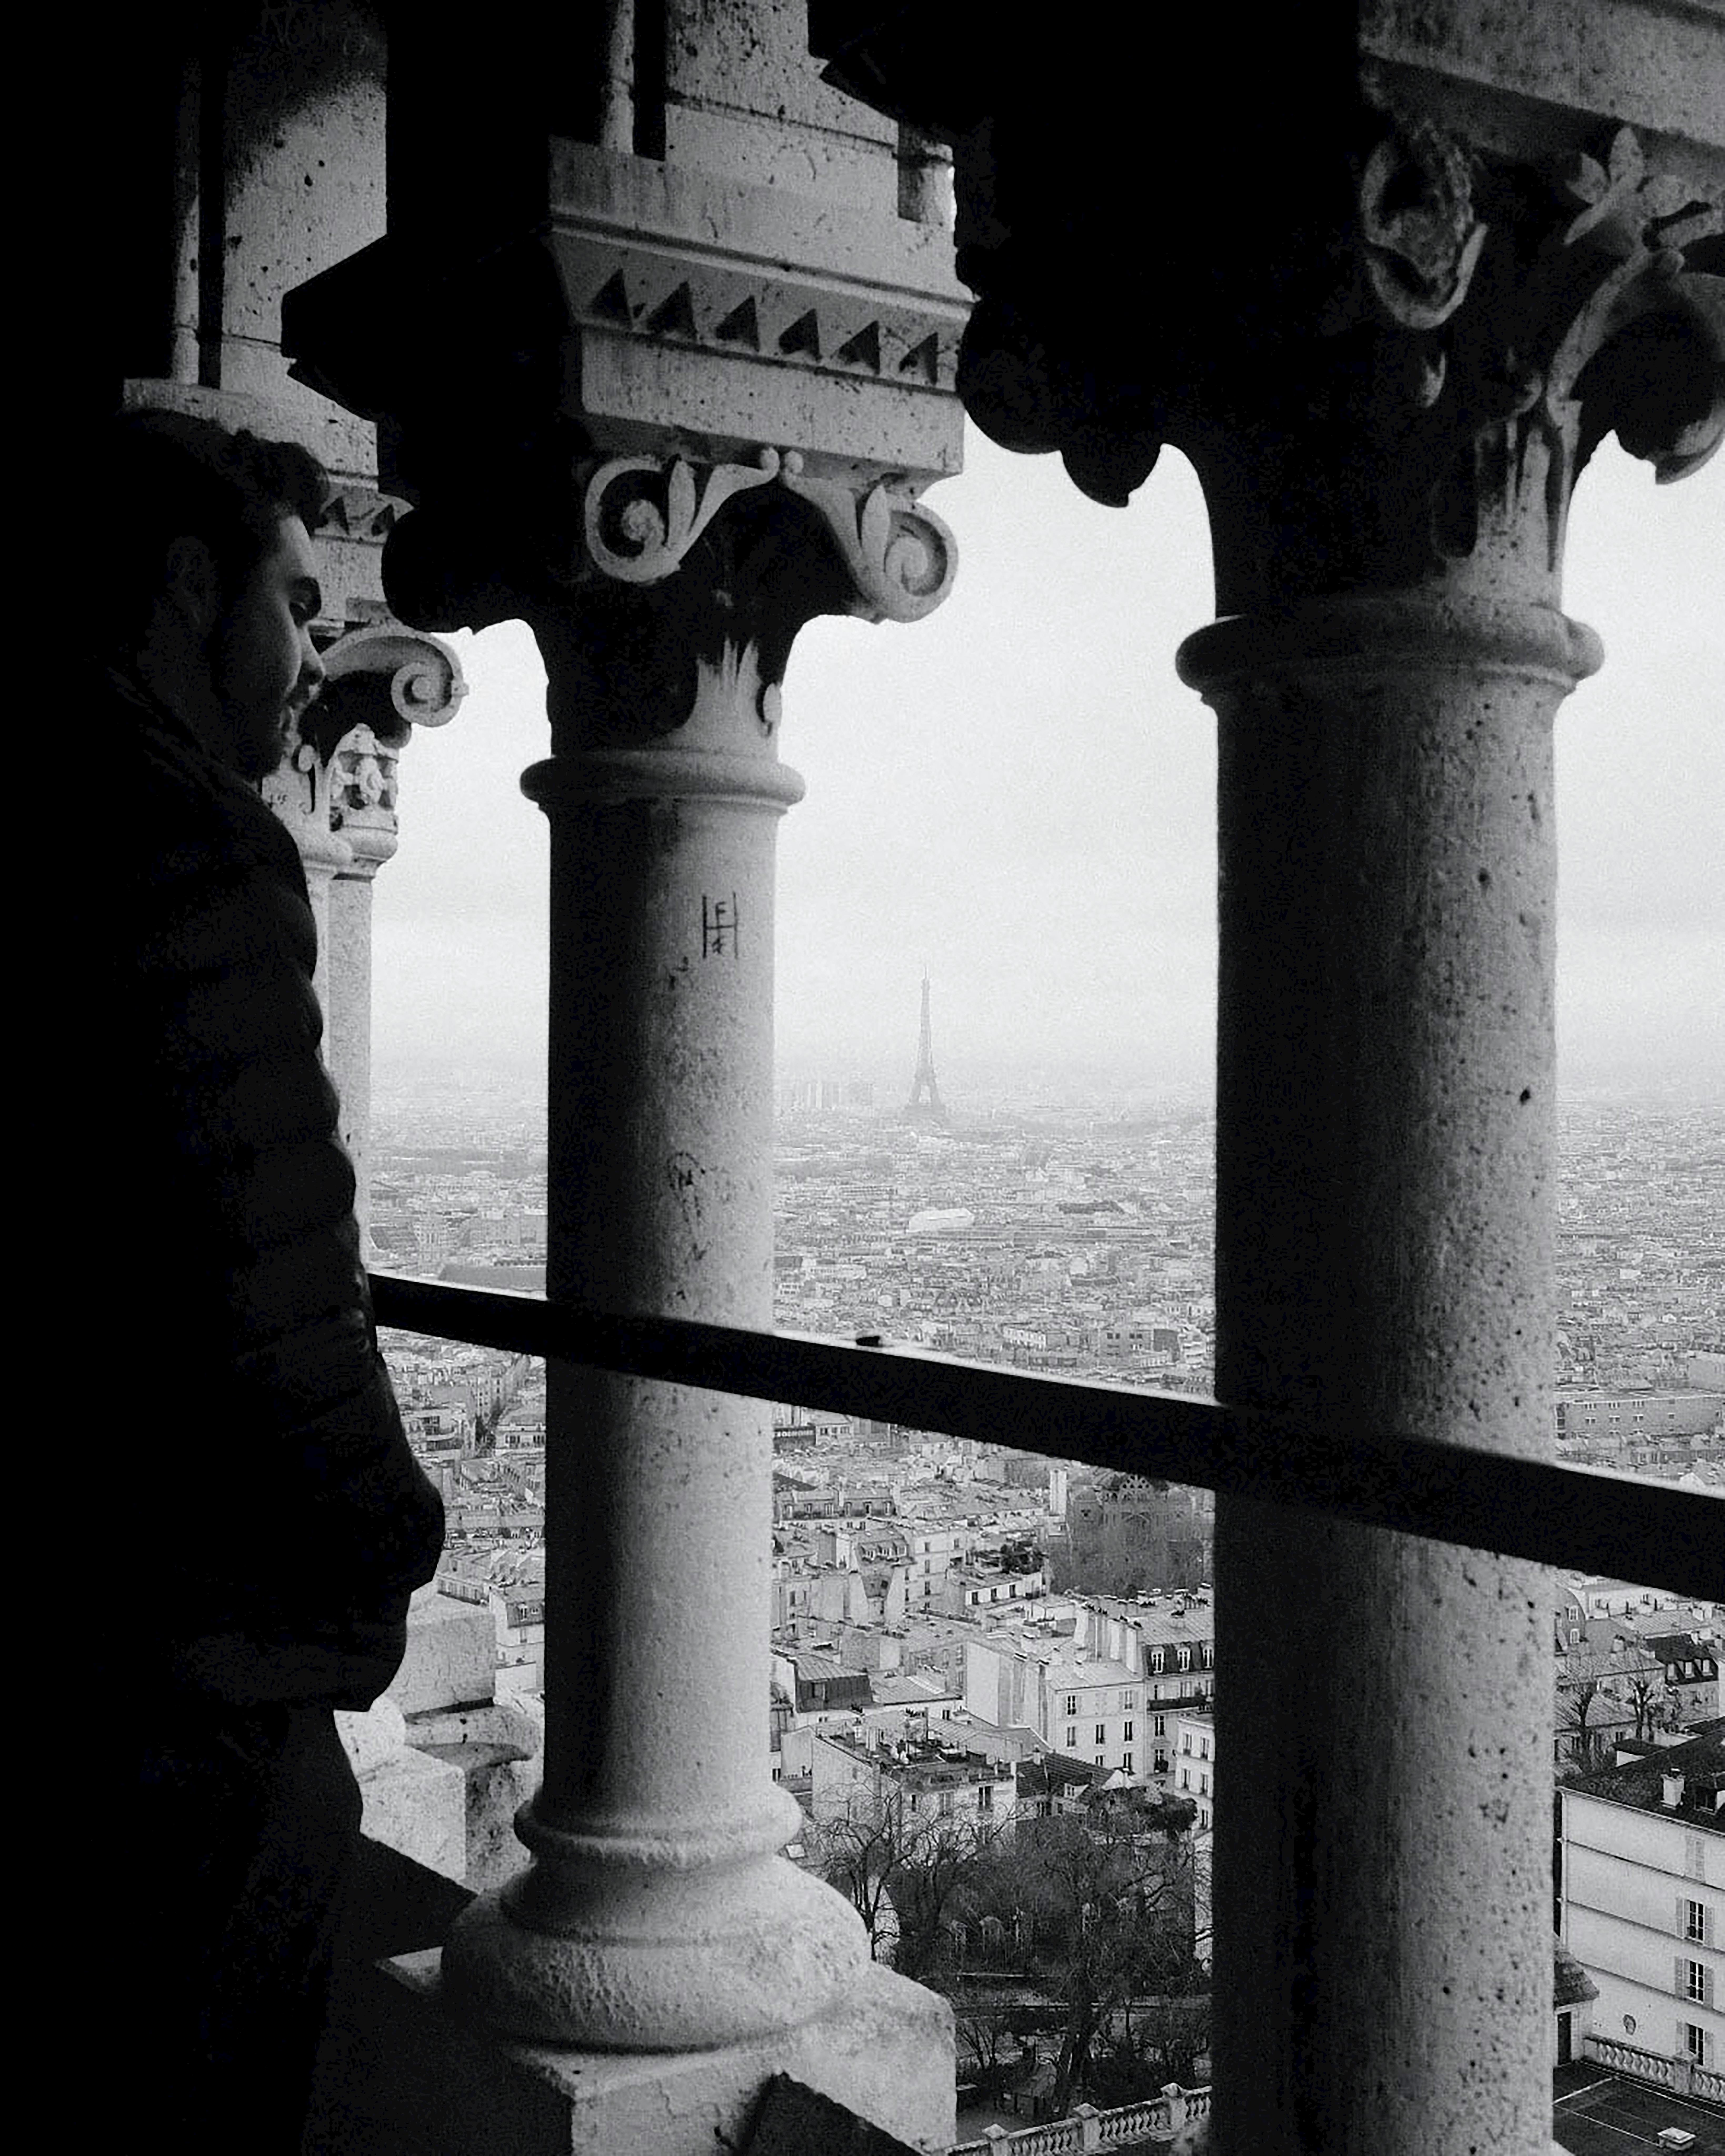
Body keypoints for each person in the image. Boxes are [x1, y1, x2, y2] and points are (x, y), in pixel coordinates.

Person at [90, 409, 446, 2150]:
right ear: (182, 590)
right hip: (184, 1661)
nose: (321, 657)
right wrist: (391, 1541)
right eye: (297, 607)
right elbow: (273, 1279)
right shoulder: (187, 850)